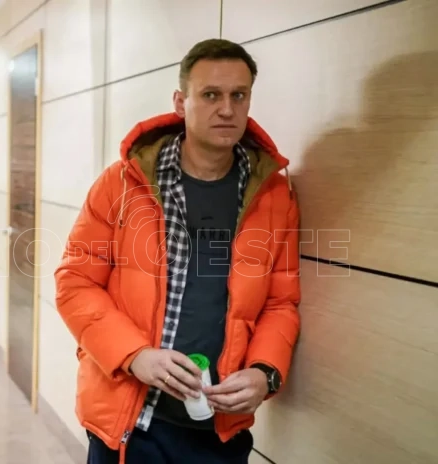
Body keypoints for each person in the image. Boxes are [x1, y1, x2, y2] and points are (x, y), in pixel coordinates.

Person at [54, 38, 301, 464]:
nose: (227, 109)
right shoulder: (123, 183)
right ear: (181, 102)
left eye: (238, 95)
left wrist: (265, 372)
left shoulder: (274, 194)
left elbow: (281, 302)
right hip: (131, 424)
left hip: (219, 431)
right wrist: (134, 355)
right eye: (211, 95)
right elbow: (75, 283)